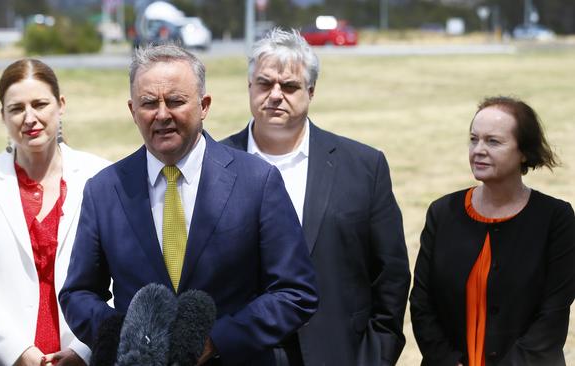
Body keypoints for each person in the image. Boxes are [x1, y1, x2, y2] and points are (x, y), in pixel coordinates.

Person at [59, 44, 318, 365]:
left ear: (204, 105)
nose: (162, 114)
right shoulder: (104, 190)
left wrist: (215, 340)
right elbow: (77, 295)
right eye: (149, 103)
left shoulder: (257, 181)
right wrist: (126, 333)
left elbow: (295, 292)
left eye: (176, 101)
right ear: (132, 110)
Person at [221, 28, 411, 366]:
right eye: (265, 84)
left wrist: (376, 357)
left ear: (311, 91)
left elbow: (391, 275)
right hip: (238, 355)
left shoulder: (364, 166)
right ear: (249, 88)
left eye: (290, 86)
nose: (275, 95)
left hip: (336, 353)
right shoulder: (212, 165)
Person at [0, 58, 110, 366]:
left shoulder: (101, 175)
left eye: (40, 104)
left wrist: (84, 349)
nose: (30, 118)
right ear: (2, 115)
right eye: (16, 108)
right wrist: (18, 351)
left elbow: (121, 276)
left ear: (61, 104)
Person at [410, 96, 575, 366]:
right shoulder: (442, 212)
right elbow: (421, 303)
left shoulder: (555, 218)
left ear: (524, 151)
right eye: (474, 139)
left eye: (493, 141)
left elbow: (553, 315)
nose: (478, 149)